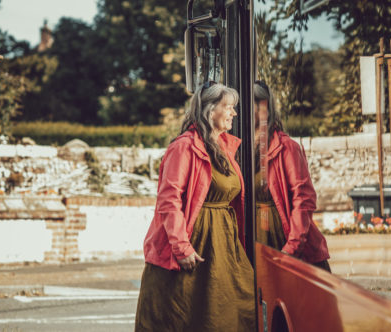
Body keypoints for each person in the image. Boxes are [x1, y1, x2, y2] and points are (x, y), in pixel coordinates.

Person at [135, 82, 255, 331]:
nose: (234, 113)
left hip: (222, 243)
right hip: (194, 243)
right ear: (210, 110)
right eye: (229, 107)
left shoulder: (225, 147)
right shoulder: (183, 147)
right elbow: (169, 200)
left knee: (229, 311)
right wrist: (181, 247)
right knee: (187, 315)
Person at [253, 80, 331, 271]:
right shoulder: (236, 148)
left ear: (265, 109)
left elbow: (303, 200)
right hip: (255, 240)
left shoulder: (287, 148)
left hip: (285, 240)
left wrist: (292, 248)